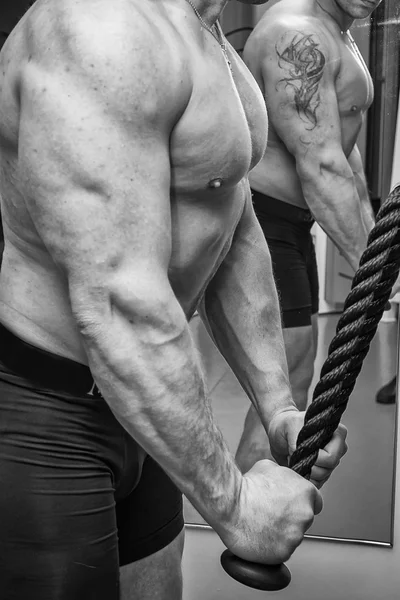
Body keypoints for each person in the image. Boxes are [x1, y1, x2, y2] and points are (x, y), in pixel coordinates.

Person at [0, 0, 348, 598]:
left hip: (148, 403)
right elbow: (118, 305)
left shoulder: (203, 30)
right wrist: (237, 507)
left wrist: (277, 406)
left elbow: (232, 227)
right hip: (48, 415)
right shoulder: (101, 28)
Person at [235, 0, 391, 472]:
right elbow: (321, 167)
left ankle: (261, 501)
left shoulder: (339, 31)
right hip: (263, 221)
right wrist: (376, 273)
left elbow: (346, 155)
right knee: (284, 379)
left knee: (296, 374)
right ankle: (249, 513)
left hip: (292, 223)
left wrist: (377, 244)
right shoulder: (295, 34)